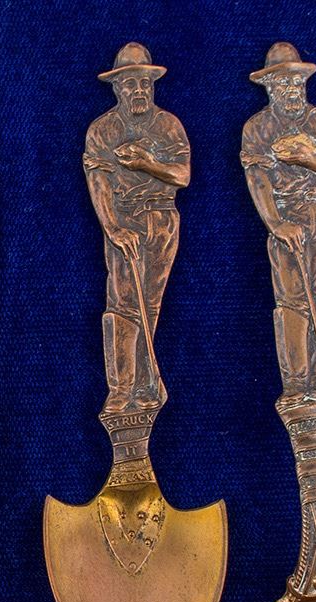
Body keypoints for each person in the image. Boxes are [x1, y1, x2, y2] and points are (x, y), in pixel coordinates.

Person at [84, 43, 190, 413]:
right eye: (130, 84)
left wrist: (147, 163)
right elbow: (97, 182)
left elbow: (182, 176)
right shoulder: (102, 129)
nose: (139, 90)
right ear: (117, 88)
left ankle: (145, 385)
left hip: (162, 221)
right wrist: (113, 227)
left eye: (144, 83)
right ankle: (120, 389)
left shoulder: (168, 125)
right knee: (122, 302)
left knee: (151, 302)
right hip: (123, 221)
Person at [242, 43, 316, 400]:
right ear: (270, 87)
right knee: (291, 300)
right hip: (288, 217)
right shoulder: (258, 127)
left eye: (296, 82)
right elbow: (257, 180)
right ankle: (297, 383)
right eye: (283, 83)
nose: (291, 89)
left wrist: (308, 158)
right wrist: (276, 224)